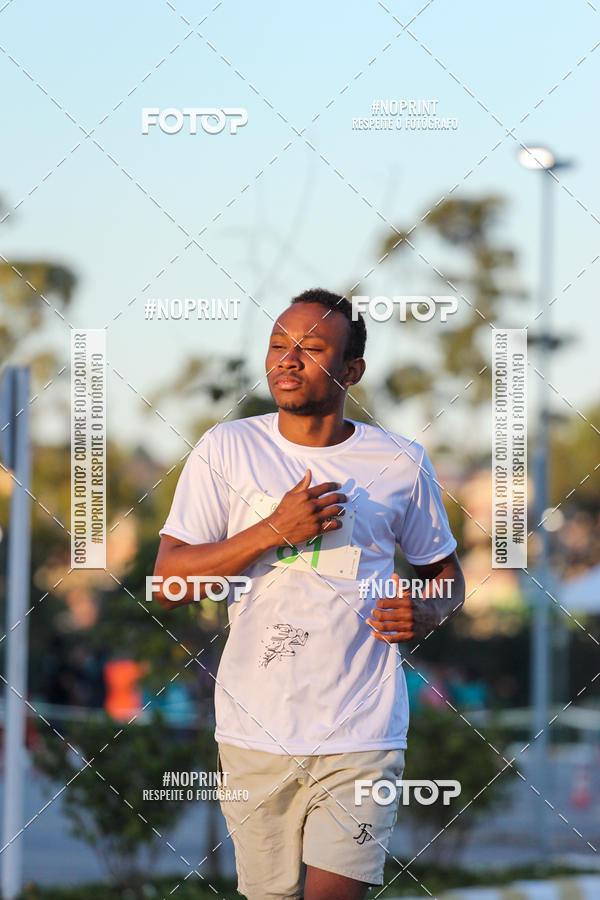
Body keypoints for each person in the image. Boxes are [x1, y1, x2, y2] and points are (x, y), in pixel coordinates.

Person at [153, 288, 465, 900]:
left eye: (311, 348)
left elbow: (445, 576)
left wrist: (427, 608)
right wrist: (274, 530)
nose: (287, 360)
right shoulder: (227, 448)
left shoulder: (401, 461)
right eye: (277, 345)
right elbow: (169, 584)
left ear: (351, 370)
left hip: (362, 733)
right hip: (254, 729)